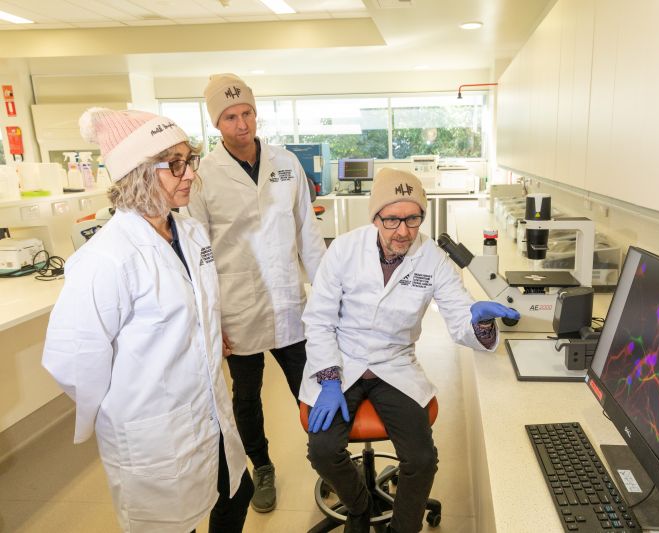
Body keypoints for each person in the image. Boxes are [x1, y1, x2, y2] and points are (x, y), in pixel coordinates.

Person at [42, 107, 253, 532]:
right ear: (137, 173)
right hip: (154, 431)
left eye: (188, 160)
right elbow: (72, 361)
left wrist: (206, 338)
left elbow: (192, 309)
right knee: (173, 524)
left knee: (236, 491)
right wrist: (126, 405)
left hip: (208, 411)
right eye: (173, 164)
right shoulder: (106, 258)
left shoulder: (189, 232)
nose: (189, 173)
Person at [300, 168, 520, 533]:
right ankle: (359, 505)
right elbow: (319, 319)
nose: (403, 231)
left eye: (412, 218)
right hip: (342, 362)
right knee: (323, 451)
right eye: (391, 220)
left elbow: (458, 314)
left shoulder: (431, 257)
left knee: (421, 459)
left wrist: (478, 321)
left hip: (394, 366)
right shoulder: (343, 250)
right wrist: (327, 380)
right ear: (375, 218)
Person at [187, 73, 326, 513]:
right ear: (217, 123)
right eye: (230, 116)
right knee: (246, 398)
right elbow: (198, 253)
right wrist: (210, 322)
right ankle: (261, 466)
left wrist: (326, 299)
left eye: (246, 112)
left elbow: (309, 234)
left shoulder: (286, 163)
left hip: (290, 304)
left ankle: (327, 459)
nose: (241, 123)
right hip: (237, 309)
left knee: (313, 387)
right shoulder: (203, 176)